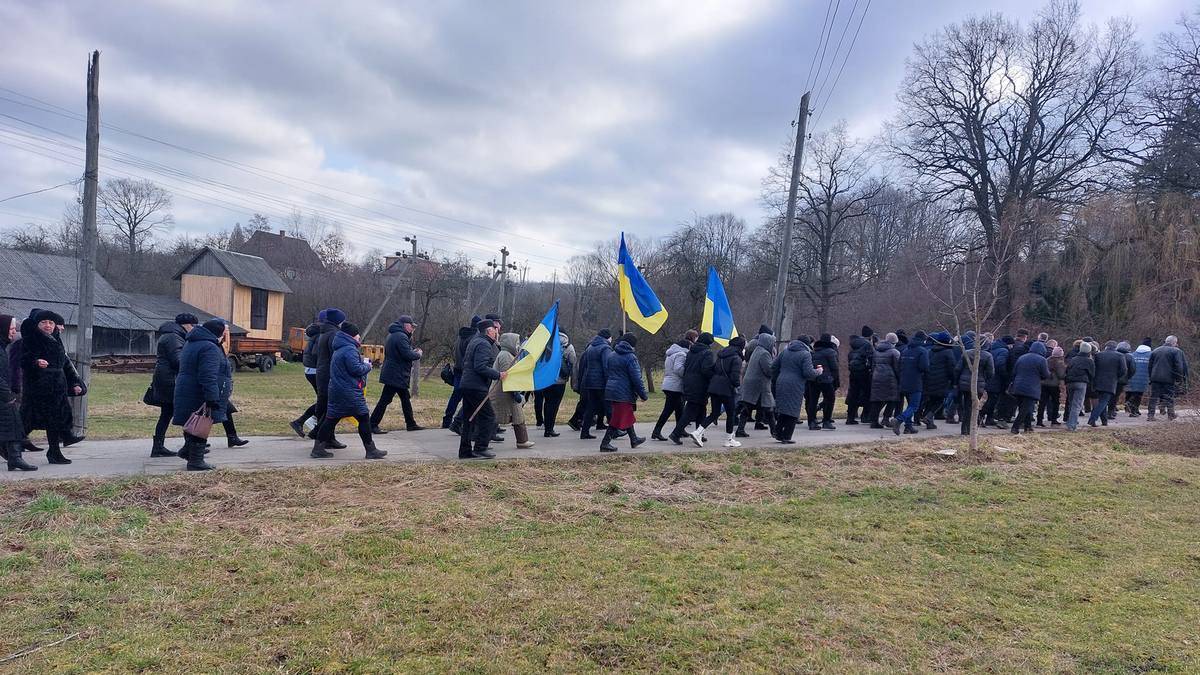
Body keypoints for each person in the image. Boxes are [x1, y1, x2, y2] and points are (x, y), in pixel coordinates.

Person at [312, 322, 386, 460]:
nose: (359, 337)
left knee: (330, 419)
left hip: (337, 390)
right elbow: (356, 369)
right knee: (364, 418)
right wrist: (367, 366)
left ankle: (318, 448)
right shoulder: (349, 349)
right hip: (350, 391)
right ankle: (371, 450)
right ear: (351, 336)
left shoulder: (339, 348)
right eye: (357, 334)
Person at [19, 310, 83, 465]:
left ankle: (54, 452)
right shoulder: (32, 339)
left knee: (54, 420)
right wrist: (36, 362)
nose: (48, 325)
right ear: (37, 324)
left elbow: (65, 364)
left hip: (57, 387)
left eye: (51, 323)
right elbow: (23, 361)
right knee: (29, 420)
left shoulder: (56, 339)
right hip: (38, 387)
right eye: (44, 322)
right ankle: (11, 445)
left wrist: (75, 383)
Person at [171, 319, 230, 470]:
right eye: (224, 332)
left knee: (192, 421)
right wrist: (212, 396)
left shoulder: (192, 342)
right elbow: (208, 375)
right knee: (201, 423)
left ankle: (188, 451)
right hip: (199, 391)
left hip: (187, 389)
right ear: (218, 332)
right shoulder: (209, 347)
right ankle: (196, 461)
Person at [148, 313, 196, 457]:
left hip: (166, 379)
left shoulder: (172, 335)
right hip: (170, 380)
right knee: (184, 412)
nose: (193, 329)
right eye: (192, 325)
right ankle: (190, 447)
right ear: (186, 324)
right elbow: (178, 360)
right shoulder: (173, 337)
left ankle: (158, 447)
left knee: (167, 413)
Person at [457, 319, 507, 459]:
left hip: (467, 384)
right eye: (495, 329)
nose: (497, 332)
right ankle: (480, 447)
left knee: (469, 419)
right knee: (488, 416)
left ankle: (465, 451)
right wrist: (498, 374)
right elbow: (480, 367)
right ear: (489, 331)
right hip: (476, 386)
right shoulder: (483, 344)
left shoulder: (475, 341)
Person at [370, 315, 423, 434]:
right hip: (396, 374)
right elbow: (407, 354)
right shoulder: (401, 336)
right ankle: (372, 424)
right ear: (405, 325)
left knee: (405, 399)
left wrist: (411, 351)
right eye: (411, 326)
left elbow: (403, 352)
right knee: (385, 400)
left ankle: (411, 423)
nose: (412, 329)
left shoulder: (395, 334)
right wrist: (418, 354)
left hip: (395, 373)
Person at [601, 333, 648, 452]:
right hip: (624, 392)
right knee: (617, 418)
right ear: (632, 345)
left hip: (612, 390)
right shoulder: (631, 357)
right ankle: (604, 443)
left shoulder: (612, 355)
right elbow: (636, 378)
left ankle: (634, 439)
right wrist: (643, 394)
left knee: (626, 415)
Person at [771, 335, 822, 443]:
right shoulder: (805, 354)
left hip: (781, 381)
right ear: (807, 344)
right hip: (795, 384)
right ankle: (786, 436)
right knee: (793, 411)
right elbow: (808, 373)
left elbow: (774, 366)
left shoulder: (785, 351)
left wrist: (777, 378)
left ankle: (778, 432)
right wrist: (818, 371)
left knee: (784, 409)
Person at [309, 308, 347, 450]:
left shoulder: (324, 332)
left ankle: (329, 438)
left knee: (324, 406)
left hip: (322, 372)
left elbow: (315, 352)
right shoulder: (334, 334)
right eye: (342, 320)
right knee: (329, 409)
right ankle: (321, 439)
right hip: (330, 375)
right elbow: (336, 356)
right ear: (338, 321)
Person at [489, 331, 535, 449]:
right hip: (503, 393)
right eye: (516, 342)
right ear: (510, 343)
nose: (518, 345)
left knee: (518, 417)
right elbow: (507, 378)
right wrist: (516, 394)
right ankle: (480, 440)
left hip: (506, 392)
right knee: (493, 417)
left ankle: (522, 441)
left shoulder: (508, 354)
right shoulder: (505, 355)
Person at [0, 315, 34, 471]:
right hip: (3, 395)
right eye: (12, 329)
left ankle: (14, 458)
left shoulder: (2, 347)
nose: (14, 332)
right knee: (12, 423)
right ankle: (14, 458)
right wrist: (7, 394)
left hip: (4, 394)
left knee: (12, 424)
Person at [669, 332, 716, 446]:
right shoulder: (707, 353)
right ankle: (675, 433)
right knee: (690, 411)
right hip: (700, 385)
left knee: (701, 409)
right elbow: (706, 370)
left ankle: (699, 433)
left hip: (689, 383)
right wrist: (713, 375)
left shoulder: (691, 351)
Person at [701, 335, 745, 447]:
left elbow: (714, 369)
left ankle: (698, 432)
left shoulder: (721, 355)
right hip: (727, 389)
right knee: (731, 414)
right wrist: (737, 385)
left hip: (714, 387)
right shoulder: (736, 358)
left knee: (714, 413)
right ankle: (729, 439)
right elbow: (735, 377)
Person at [652, 331, 695, 441]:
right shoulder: (681, 354)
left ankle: (680, 430)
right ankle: (657, 431)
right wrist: (688, 373)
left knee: (679, 410)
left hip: (669, 385)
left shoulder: (671, 354)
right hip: (675, 386)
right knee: (668, 410)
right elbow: (678, 369)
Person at [290, 311, 327, 437]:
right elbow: (318, 353)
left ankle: (306, 424)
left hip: (311, 370)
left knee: (323, 400)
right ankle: (304, 423)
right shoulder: (320, 335)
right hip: (316, 370)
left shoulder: (316, 333)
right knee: (325, 401)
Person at [444, 315, 481, 431]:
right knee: (469, 397)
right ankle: (459, 423)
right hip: (466, 371)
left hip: (458, 369)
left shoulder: (461, 336)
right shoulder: (475, 338)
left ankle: (447, 420)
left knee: (456, 396)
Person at [576, 329, 614, 440]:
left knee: (591, 408)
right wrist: (609, 381)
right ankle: (614, 431)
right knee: (609, 407)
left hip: (589, 381)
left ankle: (585, 432)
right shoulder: (605, 348)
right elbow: (606, 366)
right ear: (607, 337)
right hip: (601, 383)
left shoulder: (590, 347)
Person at [535, 331, 574, 438]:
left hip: (547, 379)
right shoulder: (568, 346)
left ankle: (546, 427)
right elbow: (573, 360)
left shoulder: (547, 344)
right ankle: (550, 428)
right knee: (555, 405)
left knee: (547, 403)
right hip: (560, 381)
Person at [955, 332, 994, 435]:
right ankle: (972, 429)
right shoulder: (988, 356)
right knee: (974, 407)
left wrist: (957, 382)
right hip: (979, 384)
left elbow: (958, 368)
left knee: (967, 405)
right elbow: (991, 372)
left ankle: (964, 429)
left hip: (964, 383)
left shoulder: (966, 353)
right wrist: (985, 380)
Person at [737, 332, 776, 437]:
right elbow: (768, 370)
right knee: (769, 407)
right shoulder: (765, 354)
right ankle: (775, 431)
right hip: (760, 385)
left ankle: (740, 430)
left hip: (751, 383)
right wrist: (775, 368)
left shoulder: (757, 351)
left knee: (747, 407)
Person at [1008, 341, 1050, 434]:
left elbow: (1014, 372)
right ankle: (1015, 427)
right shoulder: (1042, 360)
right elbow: (1046, 375)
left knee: (1025, 408)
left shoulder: (1022, 357)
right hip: (1031, 387)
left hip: (1018, 386)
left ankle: (1028, 427)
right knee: (1025, 409)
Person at [893, 330, 930, 435]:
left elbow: (899, 366)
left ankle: (908, 427)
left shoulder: (905, 350)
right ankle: (899, 420)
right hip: (916, 382)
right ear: (923, 340)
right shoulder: (922, 351)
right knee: (914, 406)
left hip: (904, 381)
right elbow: (924, 367)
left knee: (909, 405)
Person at [920, 331, 957, 430]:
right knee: (939, 400)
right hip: (942, 380)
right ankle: (928, 416)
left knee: (931, 400)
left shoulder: (931, 351)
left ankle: (928, 420)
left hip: (929, 379)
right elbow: (951, 368)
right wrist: (954, 381)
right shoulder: (948, 352)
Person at [1147, 335, 1189, 421]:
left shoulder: (1155, 350)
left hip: (1155, 378)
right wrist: (1179, 379)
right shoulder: (1177, 351)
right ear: (1174, 342)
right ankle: (1171, 415)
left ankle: (1150, 415)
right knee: (1170, 397)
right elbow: (1179, 366)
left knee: (1153, 397)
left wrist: (1151, 377)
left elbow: (1150, 366)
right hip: (1169, 378)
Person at [1087, 341, 1128, 427]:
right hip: (1111, 381)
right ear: (1115, 347)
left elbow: (1094, 367)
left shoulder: (1098, 355)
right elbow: (1124, 370)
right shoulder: (1120, 356)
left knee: (1102, 401)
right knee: (1104, 401)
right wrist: (1116, 376)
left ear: (1106, 347)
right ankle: (1092, 419)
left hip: (1097, 381)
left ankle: (1104, 421)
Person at [868, 333, 902, 429]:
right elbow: (897, 368)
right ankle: (886, 418)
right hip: (890, 379)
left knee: (876, 400)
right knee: (893, 399)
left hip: (876, 377)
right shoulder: (894, 352)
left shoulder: (876, 351)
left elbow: (873, 365)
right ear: (894, 342)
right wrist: (899, 379)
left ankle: (873, 421)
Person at [807, 334, 839, 431]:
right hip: (826, 379)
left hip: (813, 378)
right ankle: (826, 421)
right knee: (830, 399)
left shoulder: (813, 351)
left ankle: (811, 422)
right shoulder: (831, 352)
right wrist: (834, 379)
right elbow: (834, 367)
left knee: (813, 400)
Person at [845, 326, 874, 425]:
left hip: (853, 372)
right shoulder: (867, 344)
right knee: (867, 393)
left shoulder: (853, 344)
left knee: (853, 394)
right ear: (870, 335)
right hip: (864, 372)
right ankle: (865, 416)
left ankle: (850, 417)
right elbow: (871, 358)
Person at [1064, 341, 1095, 432]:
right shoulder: (1089, 361)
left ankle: (1071, 421)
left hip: (1069, 382)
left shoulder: (1073, 359)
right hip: (1081, 383)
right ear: (1089, 351)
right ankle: (1072, 425)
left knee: (1071, 402)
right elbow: (1092, 374)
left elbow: (1067, 370)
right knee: (1077, 404)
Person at [980, 336, 1011, 427]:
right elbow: (1000, 364)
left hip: (989, 378)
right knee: (992, 400)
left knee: (990, 399)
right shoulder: (1004, 351)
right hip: (996, 379)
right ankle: (981, 416)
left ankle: (989, 418)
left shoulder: (992, 348)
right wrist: (1005, 375)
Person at [1037, 345, 1067, 427]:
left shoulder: (1047, 360)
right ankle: (1054, 421)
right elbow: (1061, 375)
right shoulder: (1059, 362)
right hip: (1054, 385)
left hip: (1044, 384)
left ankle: (1039, 421)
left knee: (1042, 403)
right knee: (1055, 403)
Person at [1124, 339, 1152, 416]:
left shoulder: (1132, 354)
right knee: (1138, 394)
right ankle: (1133, 409)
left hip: (1131, 377)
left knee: (1132, 392)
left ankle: (1134, 409)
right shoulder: (1151, 355)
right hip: (1144, 378)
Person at [1110, 341, 1136, 420]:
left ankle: (1110, 409)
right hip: (1122, 380)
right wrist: (1127, 377)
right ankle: (1112, 410)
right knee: (1116, 395)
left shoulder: (1113, 354)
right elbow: (1132, 369)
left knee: (1110, 395)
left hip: (1111, 378)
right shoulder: (1130, 357)